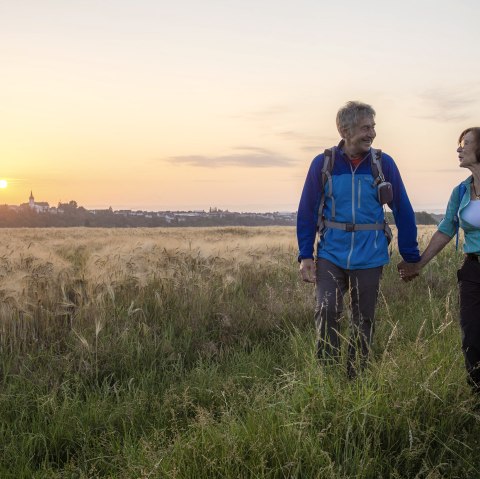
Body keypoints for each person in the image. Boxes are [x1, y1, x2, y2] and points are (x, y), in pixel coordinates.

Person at [297, 101, 420, 378]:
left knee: (363, 319)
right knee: (326, 310)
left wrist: (411, 256)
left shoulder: (383, 163)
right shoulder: (323, 163)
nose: (372, 133)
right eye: (366, 128)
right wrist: (306, 255)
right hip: (331, 254)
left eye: (373, 127)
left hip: (371, 255)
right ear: (344, 129)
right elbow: (306, 211)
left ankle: (356, 376)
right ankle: (327, 377)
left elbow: (403, 208)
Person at [398, 127, 480, 392]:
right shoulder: (461, 191)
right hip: (474, 270)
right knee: (472, 338)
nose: (459, 148)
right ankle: (477, 396)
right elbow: (447, 229)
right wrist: (418, 263)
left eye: (465, 143)